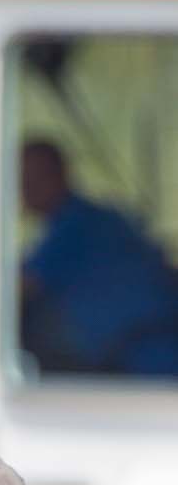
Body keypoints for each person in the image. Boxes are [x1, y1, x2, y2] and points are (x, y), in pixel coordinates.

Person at [19, 138, 178, 378]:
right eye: (20, 182)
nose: (24, 190)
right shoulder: (88, 220)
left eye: (33, 179)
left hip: (146, 366)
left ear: (59, 174)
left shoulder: (79, 225)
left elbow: (13, 292)